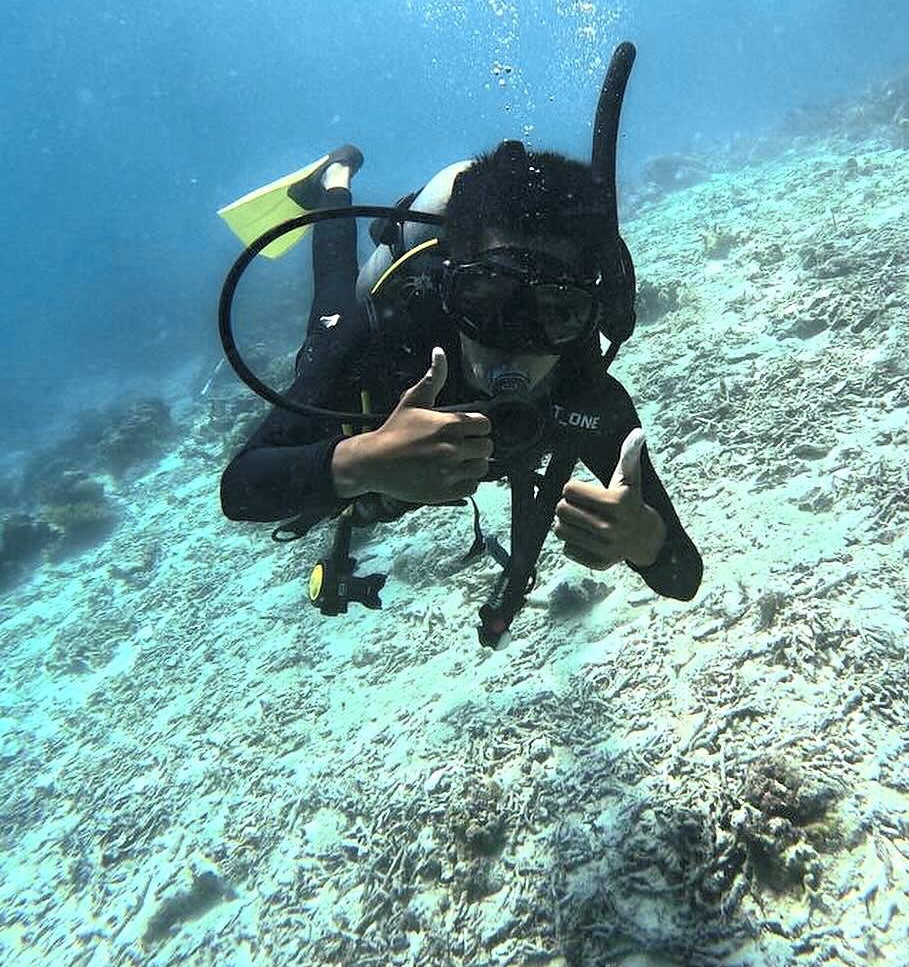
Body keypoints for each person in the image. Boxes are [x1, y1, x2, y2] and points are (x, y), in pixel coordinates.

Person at [220, 138, 702, 618]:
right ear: (448, 291)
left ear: (586, 318)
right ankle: (336, 176)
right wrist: (361, 459)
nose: (514, 342)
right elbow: (241, 488)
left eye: (557, 312)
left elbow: (683, 577)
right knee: (333, 295)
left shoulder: (585, 392)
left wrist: (643, 537)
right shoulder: (386, 335)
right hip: (374, 382)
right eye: (485, 300)